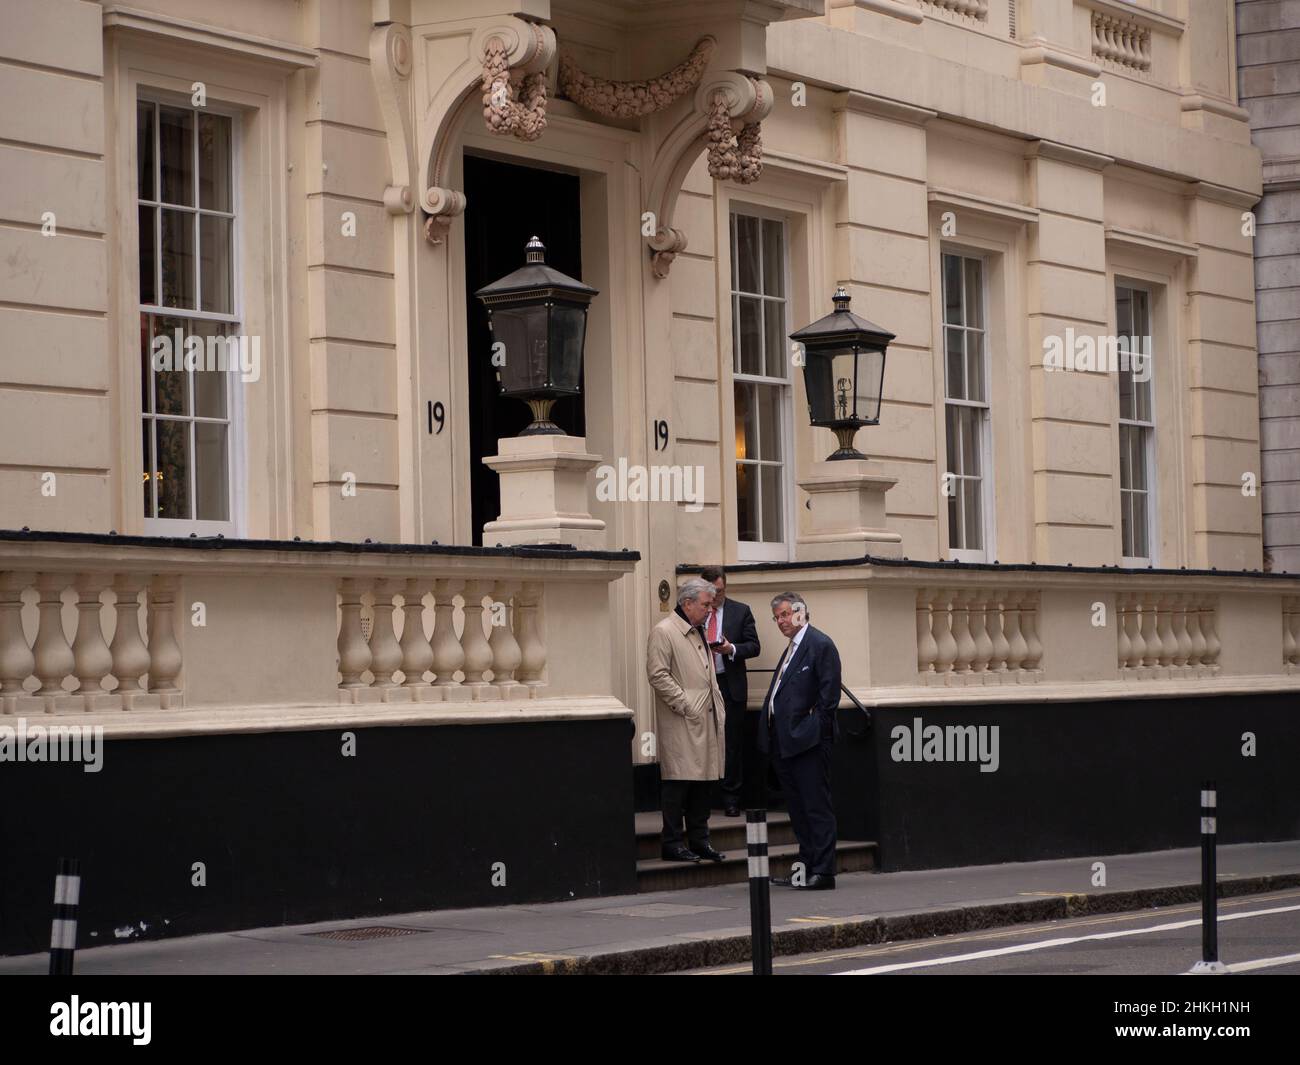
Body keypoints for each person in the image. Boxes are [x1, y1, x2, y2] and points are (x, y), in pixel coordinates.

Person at [758, 592, 842, 890]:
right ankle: (804, 869)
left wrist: (809, 730)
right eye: (776, 617)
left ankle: (824, 871)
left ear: (800, 612)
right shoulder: (792, 648)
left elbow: (828, 700)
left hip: (808, 743)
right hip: (783, 742)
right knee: (797, 809)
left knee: (816, 806)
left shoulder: (820, 645)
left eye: (784, 615)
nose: (780, 622)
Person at [645, 577, 728, 863]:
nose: (709, 610)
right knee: (678, 782)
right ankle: (671, 842)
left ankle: (699, 839)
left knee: (702, 784)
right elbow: (657, 674)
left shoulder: (698, 630)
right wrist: (685, 704)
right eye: (705, 604)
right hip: (683, 719)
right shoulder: (665, 631)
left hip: (705, 717)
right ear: (687, 603)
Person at [697, 566, 761, 816]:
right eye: (712, 593)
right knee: (702, 740)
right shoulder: (695, 612)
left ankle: (731, 797)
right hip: (702, 685)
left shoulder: (740, 611)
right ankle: (702, 797)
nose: (716, 598)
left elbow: (754, 646)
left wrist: (731, 648)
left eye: (720, 592)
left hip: (730, 684)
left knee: (732, 743)